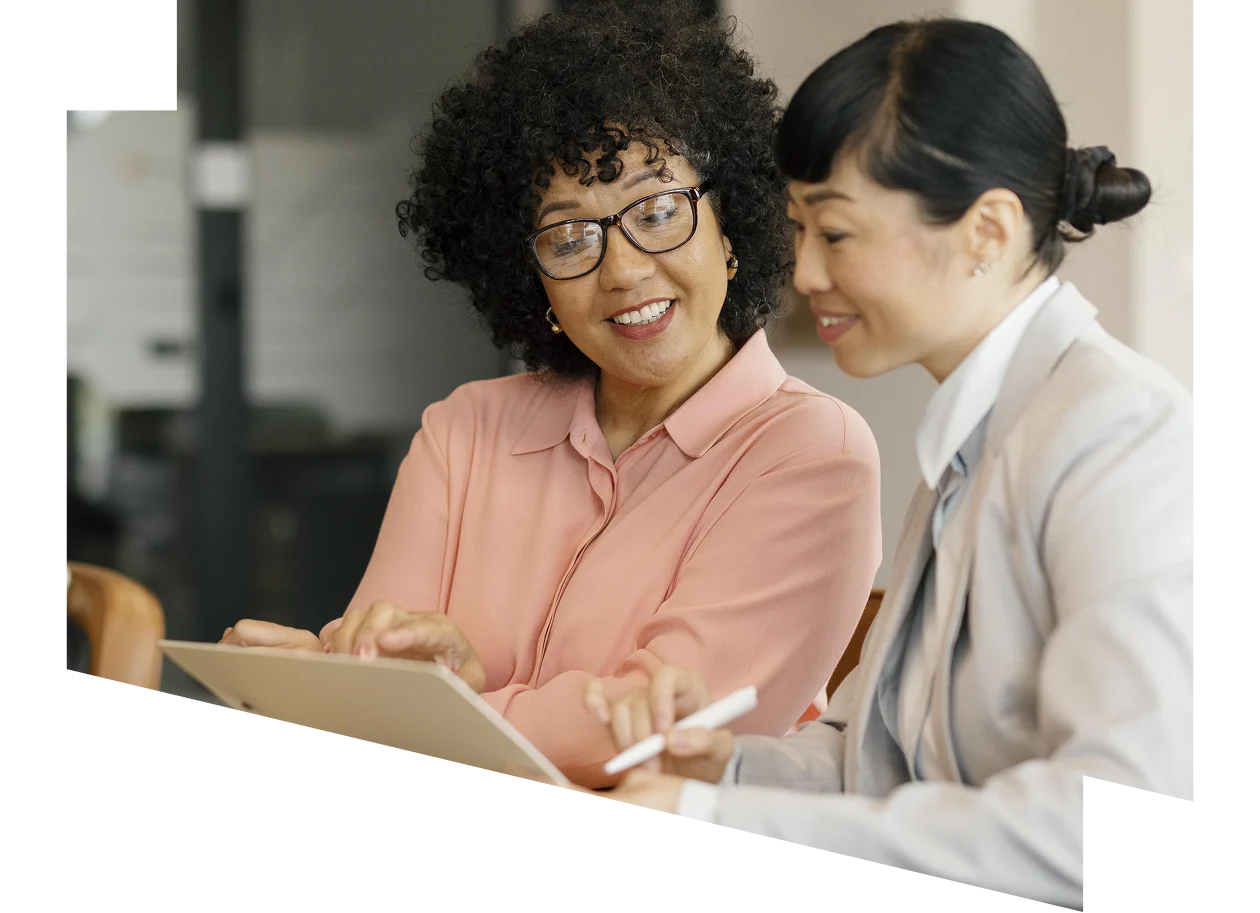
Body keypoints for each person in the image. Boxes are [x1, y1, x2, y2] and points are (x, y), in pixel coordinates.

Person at [589, 17, 1199, 908]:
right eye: (797, 230)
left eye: (834, 234)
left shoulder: (1118, 439)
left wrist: (724, 814)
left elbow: (1105, 820)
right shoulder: (975, 432)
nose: (802, 272)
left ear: (988, 229)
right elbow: (873, 757)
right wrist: (725, 769)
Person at [219, 1, 882, 789]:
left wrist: (439, 705)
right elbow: (377, 676)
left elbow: (658, 731)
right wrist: (332, 685)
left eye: (659, 210)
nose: (624, 269)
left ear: (730, 222)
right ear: (529, 276)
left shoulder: (809, 452)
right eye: (569, 236)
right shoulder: (465, 430)